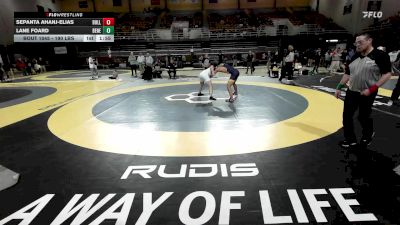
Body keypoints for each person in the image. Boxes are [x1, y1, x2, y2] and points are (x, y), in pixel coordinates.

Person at [335, 33, 392, 149]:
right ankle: (350, 139)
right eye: (356, 42)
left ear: (369, 40)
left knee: (363, 116)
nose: (357, 45)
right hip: (352, 91)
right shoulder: (354, 56)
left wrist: (372, 89)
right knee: (347, 116)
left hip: (368, 92)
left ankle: (368, 134)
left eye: (360, 42)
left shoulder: (380, 55)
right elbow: (348, 73)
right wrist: (339, 87)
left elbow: (387, 74)